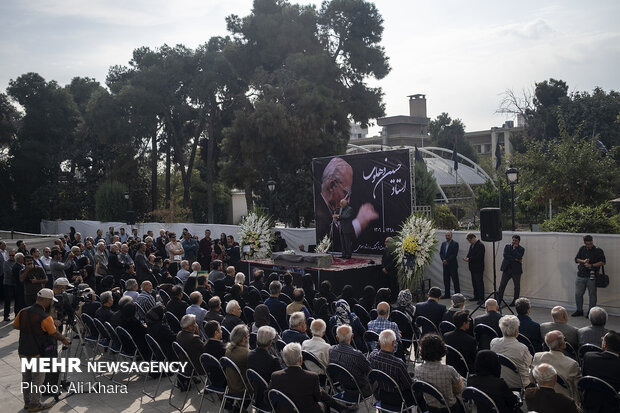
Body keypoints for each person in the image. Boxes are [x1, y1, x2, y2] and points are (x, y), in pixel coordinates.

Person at [13, 288, 71, 412]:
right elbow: (53, 332)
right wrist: (64, 339)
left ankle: (27, 402)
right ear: (46, 300)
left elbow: (15, 325)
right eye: (51, 301)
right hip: (37, 352)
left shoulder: (23, 311)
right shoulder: (45, 316)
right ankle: (35, 404)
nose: (51, 303)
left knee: (26, 377)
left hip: (23, 349)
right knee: (37, 379)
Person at [269, 342, 325, 413]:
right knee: (323, 405)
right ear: (301, 360)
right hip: (307, 410)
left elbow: (268, 398)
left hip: (285, 410)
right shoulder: (312, 377)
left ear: (285, 360)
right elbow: (317, 398)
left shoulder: (275, 376)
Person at [415, 334, 464, 412]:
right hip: (450, 409)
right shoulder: (449, 370)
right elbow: (459, 389)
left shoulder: (418, 370)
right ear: (441, 349)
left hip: (429, 408)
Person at [369, 329, 415, 406]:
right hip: (399, 398)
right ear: (393, 343)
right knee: (418, 392)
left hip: (381, 395)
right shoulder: (398, 363)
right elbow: (409, 385)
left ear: (379, 342)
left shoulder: (372, 356)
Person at [532, 330, 580, 399]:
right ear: (562, 344)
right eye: (564, 339)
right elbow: (577, 389)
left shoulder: (537, 357)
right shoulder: (572, 364)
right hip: (565, 401)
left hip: (542, 397)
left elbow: (532, 379)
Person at [329, 324, 372, 398]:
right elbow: (370, 371)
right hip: (362, 391)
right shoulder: (356, 355)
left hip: (345, 388)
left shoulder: (331, 350)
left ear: (337, 338)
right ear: (352, 337)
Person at [581, 331, 620, 413]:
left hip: (589, 403)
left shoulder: (589, 357)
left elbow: (583, 378)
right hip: (613, 406)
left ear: (604, 344)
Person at [490, 315, 532, 389]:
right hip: (519, 384)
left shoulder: (494, 342)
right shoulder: (522, 348)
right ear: (516, 330)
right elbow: (529, 364)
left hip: (500, 380)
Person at [573, 234, 606, 317]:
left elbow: (603, 262)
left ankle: (591, 313)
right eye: (587, 244)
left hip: (592, 276)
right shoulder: (582, 249)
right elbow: (576, 259)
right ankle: (579, 310)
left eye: (590, 243)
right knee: (578, 294)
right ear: (584, 243)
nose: (589, 245)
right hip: (581, 275)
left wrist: (591, 265)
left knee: (592, 295)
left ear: (592, 241)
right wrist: (583, 261)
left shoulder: (598, 250)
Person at [497, 235, 524, 307]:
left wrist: (515, 250)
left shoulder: (521, 249)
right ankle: (498, 300)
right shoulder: (507, 246)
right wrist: (515, 259)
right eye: (513, 240)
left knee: (517, 286)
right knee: (502, 285)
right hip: (507, 269)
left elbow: (519, 256)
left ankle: (515, 302)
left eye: (515, 241)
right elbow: (505, 255)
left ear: (518, 241)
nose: (514, 242)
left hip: (516, 271)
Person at [224, 324, 250, 396]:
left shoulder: (228, 350)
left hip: (231, 386)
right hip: (243, 388)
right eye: (248, 335)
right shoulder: (246, 353)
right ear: (244, 339)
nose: (249, 337)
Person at [464, 232, 485, 303]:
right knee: (474, 283)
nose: (469, 242)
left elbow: (479, 256)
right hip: (472, 267)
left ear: (473, 238)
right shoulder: (472, 245)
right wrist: (467, 257)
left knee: (479, 283)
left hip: (478, 267)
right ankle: (476, 296)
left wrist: (470, 259)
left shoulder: (480, 245)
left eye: (470, 240)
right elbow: (470, 253)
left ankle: (481, 298)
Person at [439, 231, 460, 298]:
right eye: (446, 235)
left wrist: (447, 260)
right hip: (445, 265)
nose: (447, 237)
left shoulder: (455, 244)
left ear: (451, 236)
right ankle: (447, 294)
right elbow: (441, 253)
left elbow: (454, 254)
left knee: (455, 280)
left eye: (448, 235)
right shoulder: (443, 244)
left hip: (452, 265)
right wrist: (443, 260)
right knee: (446, 280)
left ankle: (457, 295)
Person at [380, 237, 399, 302]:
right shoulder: (385, 249)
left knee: (393, 285)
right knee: (386, 285)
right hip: (385, 271)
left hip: (392, 271)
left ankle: (394, 298)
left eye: (386, 242)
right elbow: (383, 259)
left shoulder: (394, 250)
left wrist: (386, 268)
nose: (385, 243)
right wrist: (383, 267)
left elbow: (393, 261)